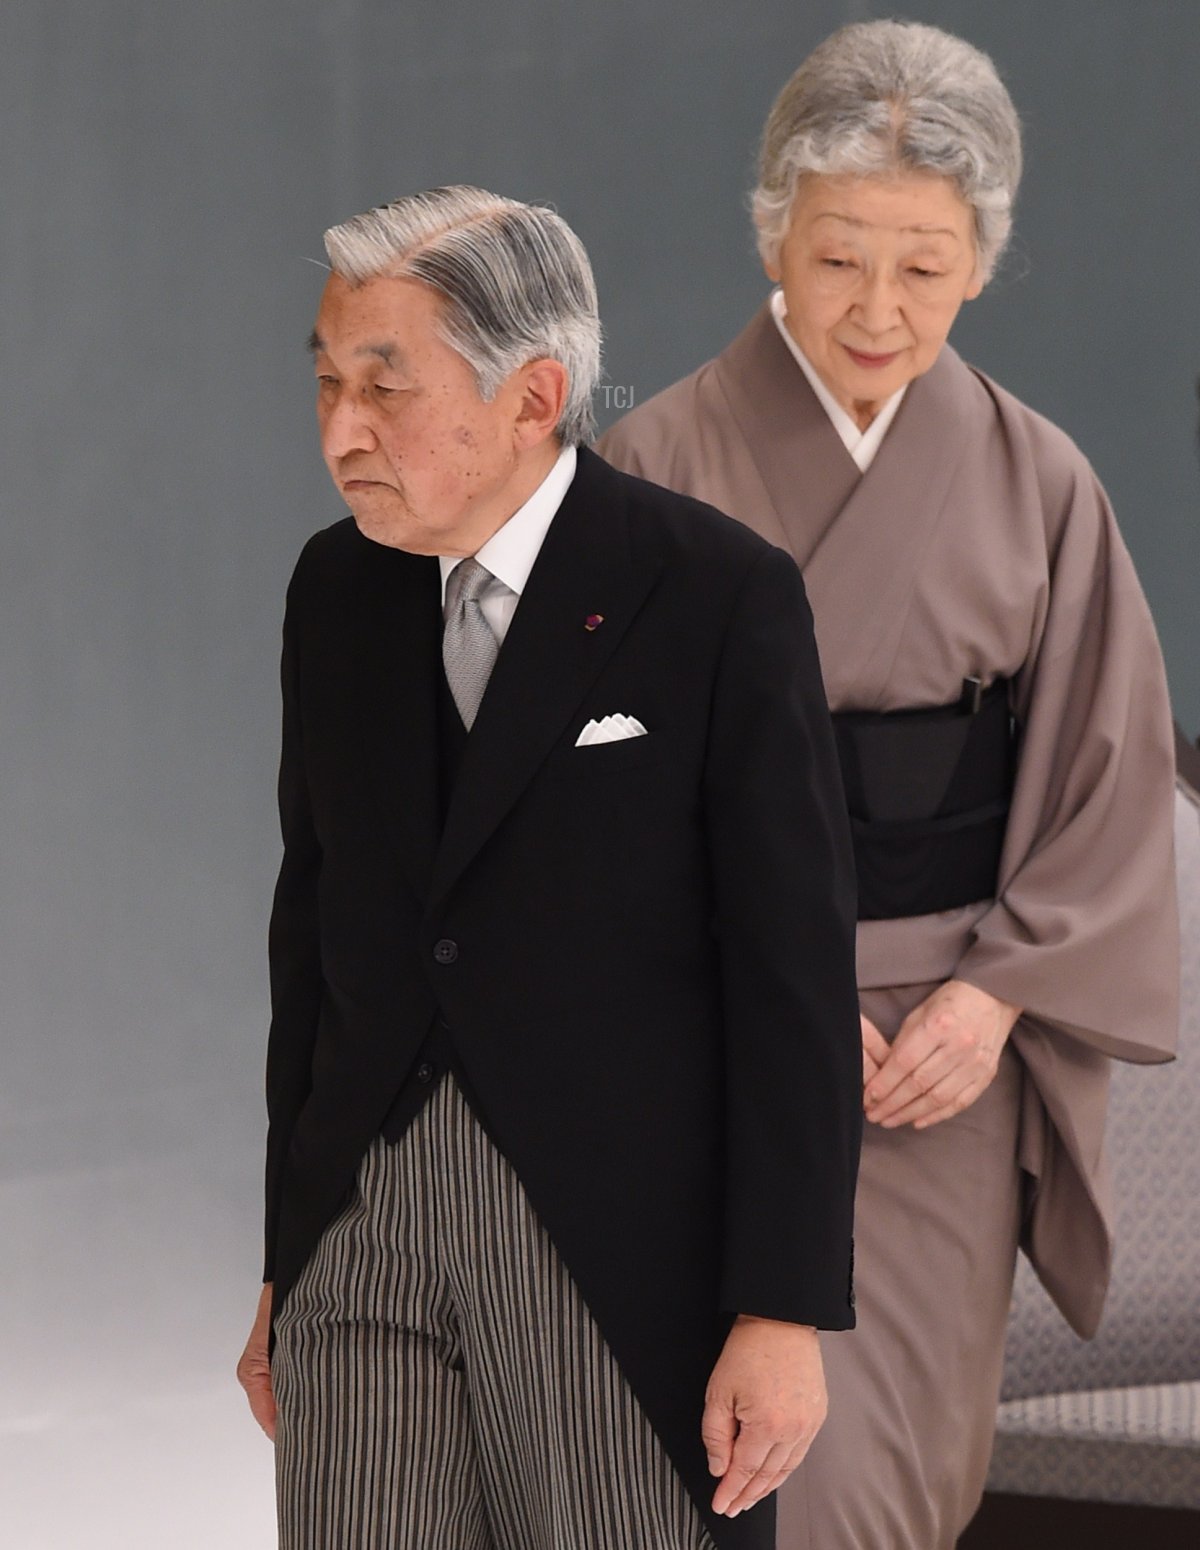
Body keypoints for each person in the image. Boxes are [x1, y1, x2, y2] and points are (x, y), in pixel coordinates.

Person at [599, 21, 1179, 1549]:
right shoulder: (655, 470)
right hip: (725, 1034)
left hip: (941, 1057)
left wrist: (997, 998)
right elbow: (598, 808)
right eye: (840, 256)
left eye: (924, 268)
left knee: (914, 1466)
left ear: (981, 265)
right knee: (758, 1468)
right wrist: (778, 989)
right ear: (772, 233)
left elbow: (1110, 785)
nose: (876, 308)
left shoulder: (1038, 478)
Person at [235, 184, 863, 1550]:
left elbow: (793, 974)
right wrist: (289, 1254)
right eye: (329, 380)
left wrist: (785, 1301)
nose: (341, 428)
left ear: (532, 397)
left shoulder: (712, 593)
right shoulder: (332, 591)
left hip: (615, 1242)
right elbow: (315, 930)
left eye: (386, 388)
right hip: (365, 1216)